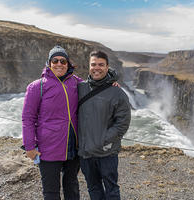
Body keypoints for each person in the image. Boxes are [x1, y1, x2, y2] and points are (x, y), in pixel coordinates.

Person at [22, 45, 82, 200]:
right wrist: (29, 147)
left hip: (73, 146)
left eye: (63, 60)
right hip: (49, 147)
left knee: (72, 188)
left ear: (68, 64)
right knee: (51, 192)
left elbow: (96, 84)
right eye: (55, 60)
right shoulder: (37, 87)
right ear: (49, 63)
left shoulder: (77, 83)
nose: (59, 64)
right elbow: (28, 118)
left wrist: (111, 81)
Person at [78, 50, 131, 200]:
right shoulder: (80, 88)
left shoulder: (117, 93)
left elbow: (122, 123)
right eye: (93, 64)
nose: (97, 68)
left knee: (111, 189)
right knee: (93, 188)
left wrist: (103, 140)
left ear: (107, 67)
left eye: (101, 65)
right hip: (85, 152)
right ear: (88, 66)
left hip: (106, 152)